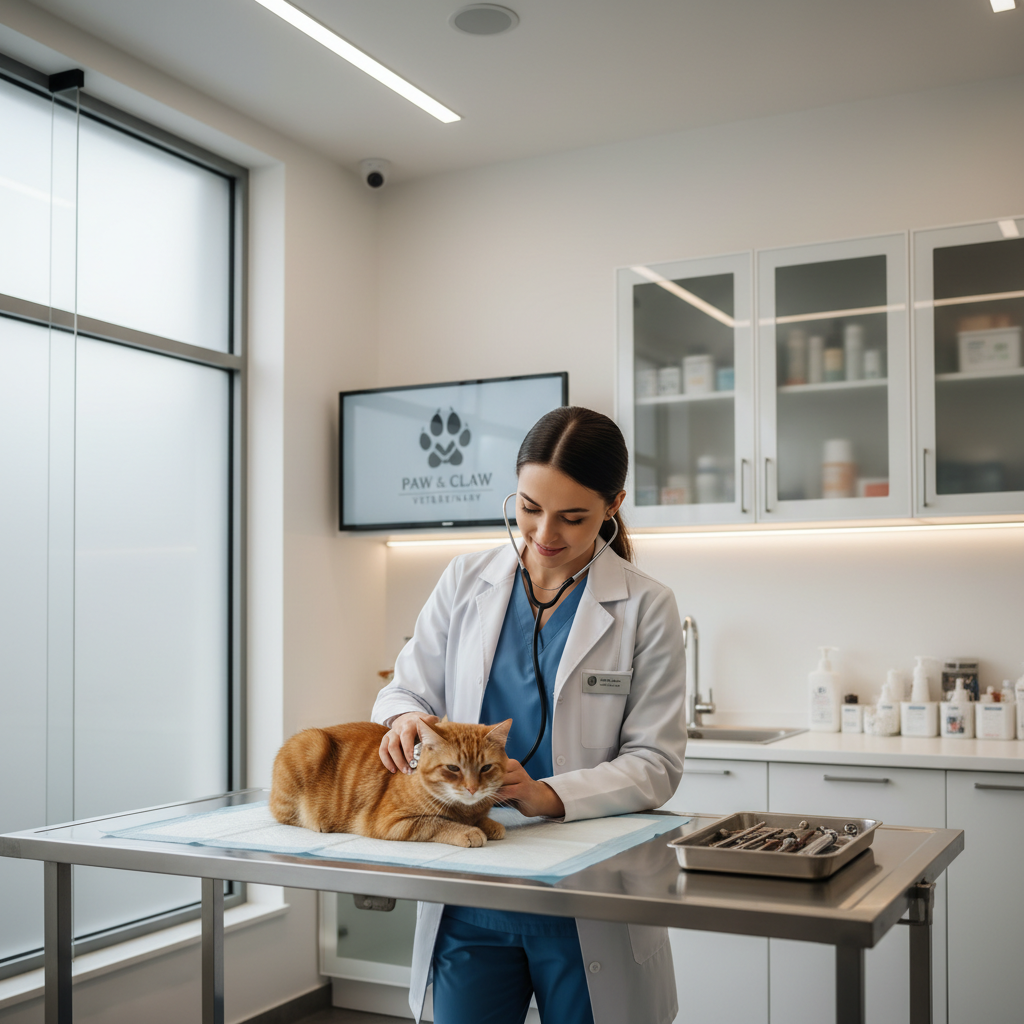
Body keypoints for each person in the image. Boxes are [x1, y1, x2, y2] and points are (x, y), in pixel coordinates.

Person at [373, 406, 687, 1024]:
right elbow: (407, 689)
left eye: (573, 517)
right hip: (471, 886)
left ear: (613, 504)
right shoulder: (468, 580)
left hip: (586, 892)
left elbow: (656, 764)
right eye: (528, 508)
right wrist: (404, 721)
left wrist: (547, 793)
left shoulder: (646, 606)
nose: (544, 533)